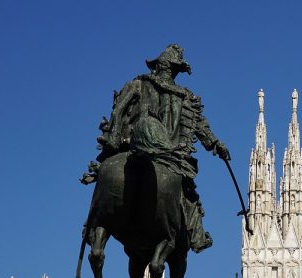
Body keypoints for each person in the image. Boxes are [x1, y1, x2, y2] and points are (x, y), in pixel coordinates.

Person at [90, 44, 230, 254]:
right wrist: (217, 146)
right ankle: (198, 237)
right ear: (175, 70)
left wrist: (112, 141)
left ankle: (92, 225)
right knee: (189, 198)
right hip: (171, 156)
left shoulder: (137, 84)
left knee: (106, 175)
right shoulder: (186, 97)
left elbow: (118, 110)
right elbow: (202, 129)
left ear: (159, 66)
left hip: (133, 148)